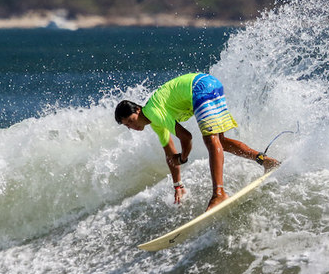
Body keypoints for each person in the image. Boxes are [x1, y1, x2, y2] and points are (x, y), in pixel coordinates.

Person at [115, 72, 279, 211]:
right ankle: (265, 161)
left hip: (200, 87)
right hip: (209, 83)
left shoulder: (152, 112)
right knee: (220, 141)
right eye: (126, 125)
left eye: (130, 120)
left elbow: (186, 137)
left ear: (138, 110)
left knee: (210, 139)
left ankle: (219, 194)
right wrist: (178, 185)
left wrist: (183, 157)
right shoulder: (155, 123)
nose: (131, 126)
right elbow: (170, 155)